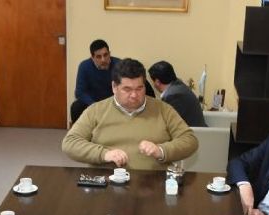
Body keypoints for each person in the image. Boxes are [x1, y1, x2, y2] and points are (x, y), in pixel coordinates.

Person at [62, 58, 198, 171]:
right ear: (114, 87)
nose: (134, 95)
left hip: (152, 184)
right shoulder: (96, 110)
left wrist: (161, 150)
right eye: (127, 89)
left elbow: (189, 140)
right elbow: (70, 143)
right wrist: (104, 154)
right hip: (107, 182)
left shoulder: (163, 109)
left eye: (139, 88)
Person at [70, 39, 121, 124]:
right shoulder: (84, 66)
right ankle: (78, 134)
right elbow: (79, 92)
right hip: (93, 101)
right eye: (98, 56)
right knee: (76, 107)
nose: (103, 60)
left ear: (110, 53)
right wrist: (94, 105)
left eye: (105, 55)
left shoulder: (119, 64)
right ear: (92, 57)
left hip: (113, 101)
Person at [147, 60, 206, 127]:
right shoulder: (178, 85)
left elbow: (167, 125)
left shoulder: (172, 96)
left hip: (194, 134)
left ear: (157, 82)